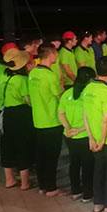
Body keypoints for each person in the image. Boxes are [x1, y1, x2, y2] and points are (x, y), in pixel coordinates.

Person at [82, 56, 107, 212]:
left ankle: (98, 203)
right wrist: (103, 141)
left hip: (94, 138)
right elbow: (106, 119)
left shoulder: (88, 88)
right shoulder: (106, 91)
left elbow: (85, 115)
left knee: (98, 170)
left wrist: (91, 138)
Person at [29, 44, 66, 197]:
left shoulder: (33, 73)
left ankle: (42, 185)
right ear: (51, 55)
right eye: (56, 54)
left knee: (41, 155)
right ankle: (51, 188)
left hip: (38, 120)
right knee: (51, 156)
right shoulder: (50, 76)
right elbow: (60, 97)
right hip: (52, 121)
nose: (56, 57)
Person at [58, 66, 96, 201]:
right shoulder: (89, 96)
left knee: (74, 163)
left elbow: (61, 113)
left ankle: (75, 191)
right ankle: (87, 194)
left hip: (69, 136)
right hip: (84, 136)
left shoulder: (67, 93)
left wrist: (68, 129)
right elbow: (92, 119)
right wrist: (79, 130)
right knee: (87, 165)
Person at [1, 49, 34, 190]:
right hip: (21, 114)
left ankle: (9, 180)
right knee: (23, 145)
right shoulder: (22, 80)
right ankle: (25, 183)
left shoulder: (4, 77)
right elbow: (28, 100)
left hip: (8, 114)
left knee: (7, 145)